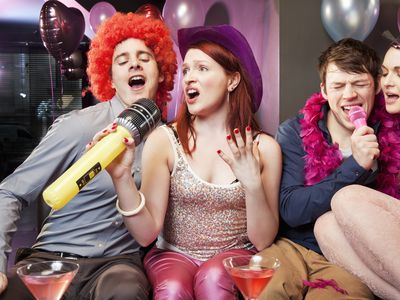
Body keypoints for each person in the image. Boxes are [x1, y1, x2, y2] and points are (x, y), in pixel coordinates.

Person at [93, 24, 281, 299]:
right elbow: (146, 236)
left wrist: (252, 183)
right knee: (172, 289)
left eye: (202, 69)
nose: (189, 79)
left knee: (214, 279)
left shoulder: (265, 148)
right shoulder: (164, 140)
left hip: (234, 255)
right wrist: (122, 179)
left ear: (232, 80)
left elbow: (263, 240)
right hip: (173, 255)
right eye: (186, 70)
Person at [0, 12, 176, 300]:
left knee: (128, 292)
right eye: (122, 60)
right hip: (51, 258)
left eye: (145, 57)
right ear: (110, 78)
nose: (134, 63)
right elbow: (10, 192)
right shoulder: (79, 126)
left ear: (161, 71)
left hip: (117, 265)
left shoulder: (168, 141)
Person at [257, 38, 382, 300]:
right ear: (324, 90)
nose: (349, 94)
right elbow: (291, 208)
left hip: (348, 258)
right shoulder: (294, 132)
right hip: (291, 247)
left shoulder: (390, 137)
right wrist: (355, 166)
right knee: (266, 289)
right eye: (338, 85)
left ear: (377, 86)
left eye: (359, 83)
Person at [314, 40, 400, 300]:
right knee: (325, 226)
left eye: (399, 74)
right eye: (385, 74)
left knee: (346, 197)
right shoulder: (383, 124)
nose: (387, 83)